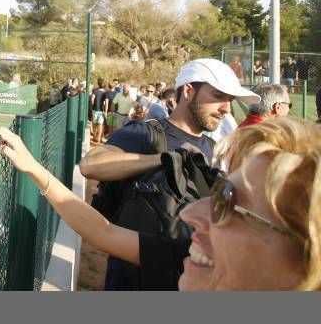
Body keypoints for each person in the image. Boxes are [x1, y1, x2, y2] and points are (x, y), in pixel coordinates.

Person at [0, 116, 321, 290]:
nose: (191, 213)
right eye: (217, 193)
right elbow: (103, 231)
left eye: (229, 202)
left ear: (305, 262)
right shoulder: (189, 257)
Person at [78, 58, 259, 290]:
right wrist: (166, 159)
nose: (226, 108)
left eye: (230, 101)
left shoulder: (214, 151)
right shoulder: (145, 133)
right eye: (217, 96)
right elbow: (91, 165)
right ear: (189, 91)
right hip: (132, 282)